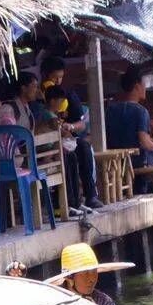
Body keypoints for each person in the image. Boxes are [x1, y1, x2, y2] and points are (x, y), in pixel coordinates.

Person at [41, 56, 97, 210]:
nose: (58, 81)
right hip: (49, 144)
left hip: (68, 138)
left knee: (84, 148)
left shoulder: (68, 94)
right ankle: (64, 203)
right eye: (54, 77)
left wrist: (70, 127)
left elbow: (81, 124)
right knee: (67, 157)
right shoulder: (39, 97)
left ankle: (90, 195)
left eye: (61, 77)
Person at [103, 70, 153, 169]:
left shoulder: (110, 110)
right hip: (135, 162)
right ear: (137, 86)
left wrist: (152, 141)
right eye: (144, 85)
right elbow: (144, 143)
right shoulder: (141, 111)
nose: (145, 88)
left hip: (115, 163)